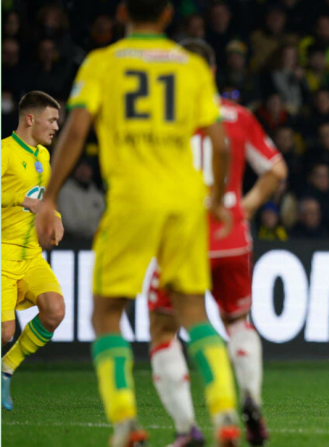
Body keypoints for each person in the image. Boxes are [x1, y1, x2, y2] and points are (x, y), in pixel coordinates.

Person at [34, 1, 241, 445]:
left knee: (107, 313)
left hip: (131, 200)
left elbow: (76, 130)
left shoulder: (102, 63)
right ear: (167, 14)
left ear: (123, 11)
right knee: (193, 311)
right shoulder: (191, 66)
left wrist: (49, 196)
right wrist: (217, 198)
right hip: (185, 200)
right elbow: (221, 143)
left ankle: (126, 422)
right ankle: (225, 411)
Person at [147, 39, 287, 447]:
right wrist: (245, 206)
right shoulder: (238, 116)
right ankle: (251, 398)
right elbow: (276, 170)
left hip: (182, 237)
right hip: (231, 237)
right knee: (238, 322)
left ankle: (187, 427)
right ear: (211, 70)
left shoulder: (162, 118)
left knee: (164, 328)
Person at [1, 91, 66, 411]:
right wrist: (19, 199)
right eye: (51, 120)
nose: (56, 127)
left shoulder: (43, 155)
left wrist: (56, 217)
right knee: (5, 333)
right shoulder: (5, 152)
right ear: (30, 119)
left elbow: (45, 197)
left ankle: (6, 369)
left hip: (30, 255)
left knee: (55, 310)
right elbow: (26, 198)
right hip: (3, 253)